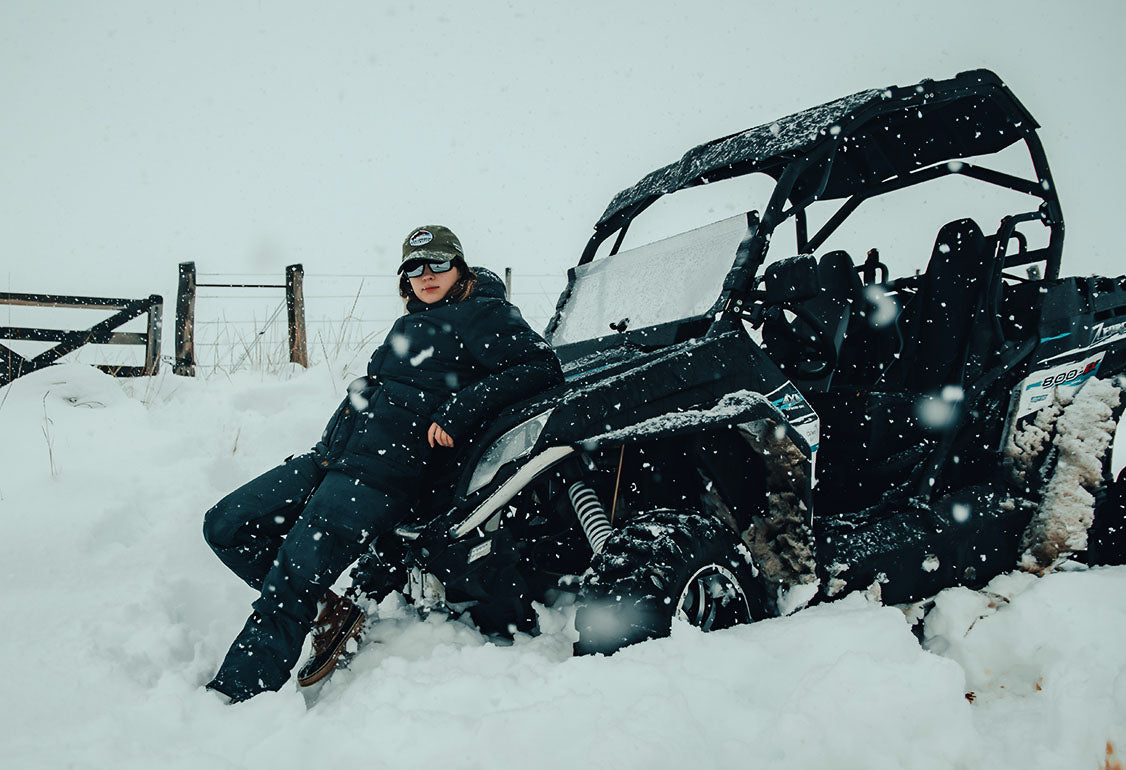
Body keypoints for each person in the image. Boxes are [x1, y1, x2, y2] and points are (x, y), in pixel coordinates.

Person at [202, 225, 564, 703]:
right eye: (414, 267)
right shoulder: (410, 322)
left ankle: (235, 693)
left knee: (294, 573)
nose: (426, 274)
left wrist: (459, 409)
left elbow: (540, 368)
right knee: (226, 524)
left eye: (437, 263)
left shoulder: (484, 313)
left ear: (459, 266)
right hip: (333, 458)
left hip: (381, 476)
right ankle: (329, 612)